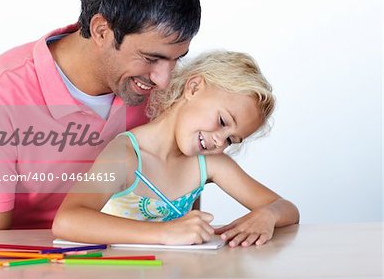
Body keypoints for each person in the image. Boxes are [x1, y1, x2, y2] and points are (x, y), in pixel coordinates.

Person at [0, 0, 201, 230]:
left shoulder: (165, 90)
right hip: (31, 267)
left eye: (175, 60)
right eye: (150, 58)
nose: (164, 80)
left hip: (132, 260)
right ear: (101, 31)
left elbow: (183, 203)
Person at [53, 51, 300, 247]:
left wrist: (268, 215)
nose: (219, 142)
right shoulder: (126, 155)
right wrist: (165, 232)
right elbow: (67, 220)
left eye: (231, 140)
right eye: (223, 122)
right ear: (193, 88)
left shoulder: (208, 164)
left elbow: (286, 208)